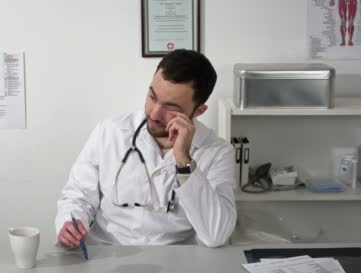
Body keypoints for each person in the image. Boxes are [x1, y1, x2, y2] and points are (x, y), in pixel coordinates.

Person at [54, 49, 236, 248]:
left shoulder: (217, 152)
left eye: (171, 107)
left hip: (176, 262)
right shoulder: (111, 131)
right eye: (152, 97)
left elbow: (216, 235)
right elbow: (77, 196)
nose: (155, 113)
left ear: (199, 110)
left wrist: (184, 161)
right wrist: (71, 223)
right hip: (107, 254)